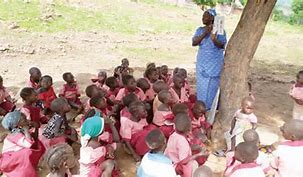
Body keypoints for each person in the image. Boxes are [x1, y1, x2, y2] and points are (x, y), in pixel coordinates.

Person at [192, 9, 227, 110]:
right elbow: (194, 42)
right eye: (203, 16)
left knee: (212, 87)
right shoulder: (200, 30)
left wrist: (214, 38)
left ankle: (210, 110)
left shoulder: (220, 32)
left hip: (214, 64)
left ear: (212, 18)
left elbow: (222, 45)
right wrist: (204, 34)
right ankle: (201, 109)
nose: (203, 18)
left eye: (205, 16)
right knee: (202, 87)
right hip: (202, 63)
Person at [1, 111, 44, 177]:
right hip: (10, 159)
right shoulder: (14, 135)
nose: (27, 120)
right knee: (27, 152)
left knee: (39, 144)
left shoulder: (19, 130)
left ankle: (32, 166)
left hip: (16, 155)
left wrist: (36, 128)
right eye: (24, 120)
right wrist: (26, 130)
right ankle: (25, 173)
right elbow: (29, 144)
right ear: (17, 124)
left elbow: (34, 139)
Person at [165, 113, 208, 177]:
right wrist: (199, 154)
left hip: (170, 160)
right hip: (177, 166)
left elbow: (179, 149)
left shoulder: (173, 135)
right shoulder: (183, 142)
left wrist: (195, 148)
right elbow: (183, 161)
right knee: (194, 164)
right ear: (189, 130)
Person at [80, 112, 118, 177]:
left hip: (88, 171)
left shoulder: (87, 140)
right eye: (103, 126)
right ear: (99, 131)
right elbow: (106, 154)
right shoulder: (96, 146)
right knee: (110, 163)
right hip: (90, 175)